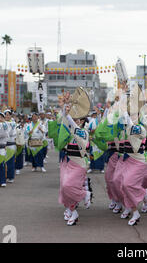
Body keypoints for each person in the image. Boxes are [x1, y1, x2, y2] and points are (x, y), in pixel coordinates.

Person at [57, 92, 91, 226]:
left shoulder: (84, 132)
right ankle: (72, 211)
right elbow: (63, 120)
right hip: (67, 161)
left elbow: (69, 121)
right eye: (76, 118)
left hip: (79, 163)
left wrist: (68, 114)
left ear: (83, 121)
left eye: (80, 119)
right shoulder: (69, 130)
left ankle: (84, 194)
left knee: (68, 186)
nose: (77, 120)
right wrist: (65, 105)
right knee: (64, 188)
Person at [4, 110, 17, 183]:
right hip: (3, 145)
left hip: (11, 145)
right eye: (6, 115)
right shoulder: (2, 124)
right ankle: (4, 176)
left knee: (10, 162)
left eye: (8, 115)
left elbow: (13, 134)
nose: (7, 116)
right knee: (4, 162)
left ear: (11, 116)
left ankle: (11, 177)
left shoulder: (13, 124)